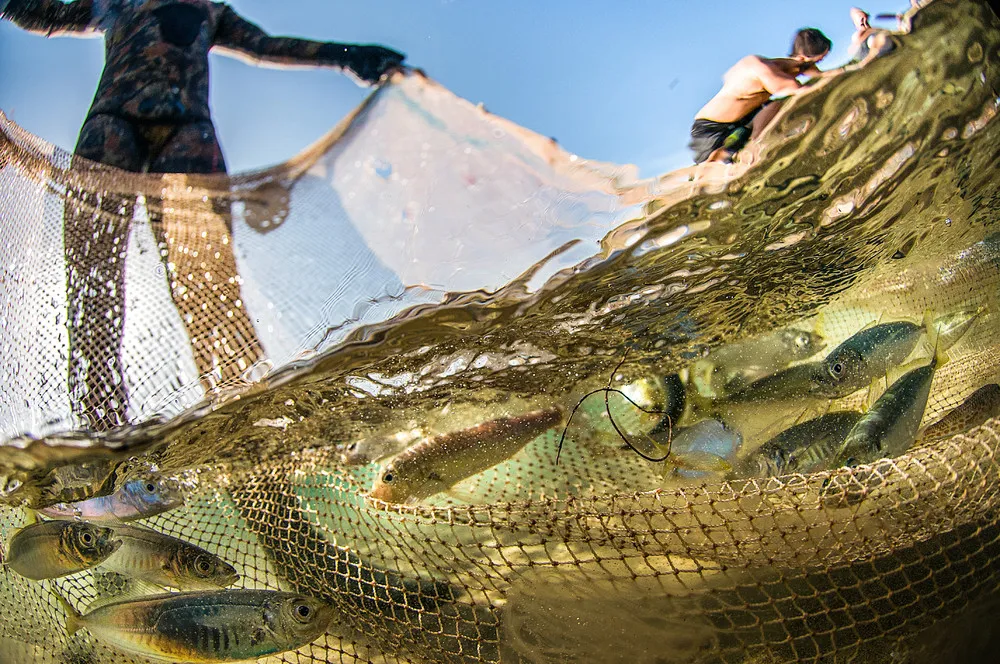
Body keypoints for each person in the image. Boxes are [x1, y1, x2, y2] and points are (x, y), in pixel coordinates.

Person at [1, 0, 406, 430]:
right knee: (92, 290)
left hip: (186, 134)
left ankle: (247, 433)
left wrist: (348, 57)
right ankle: (102, 435)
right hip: (116, 127)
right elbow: (46, 13)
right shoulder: (119, 3)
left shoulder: (208, 11)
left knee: (211, 293)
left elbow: (264, 46)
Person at [689, 28, 832, 165]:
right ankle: (745, 148)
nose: (816, 66)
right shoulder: (763, 69)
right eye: (817, 61)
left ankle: (745, 144)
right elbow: (802, 90)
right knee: (778, 105)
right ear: (802, 58)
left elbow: (821, 75)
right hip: (710, 131)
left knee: (771, 106)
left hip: (737, 122)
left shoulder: (786, 67)